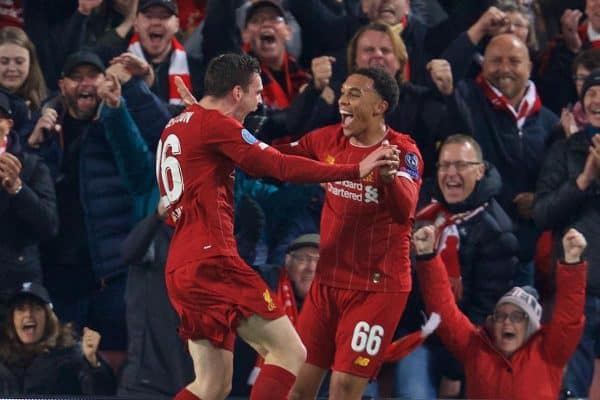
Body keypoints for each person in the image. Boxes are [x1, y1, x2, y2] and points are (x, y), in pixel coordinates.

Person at [157, 53, 398, 400]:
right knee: (291, 353)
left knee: (212, 385)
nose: (259, 102)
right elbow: (281, 167)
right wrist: (355, 168)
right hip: (212, 260)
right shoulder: (211, 125)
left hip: (181, 266)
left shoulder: (178, 124)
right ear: (237, 92)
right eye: (256, 92)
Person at [275, 67, 423, 399]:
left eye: (354, 94)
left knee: (342, 389)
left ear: (380, 106)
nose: (343, 100)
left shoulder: (402, 151)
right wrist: (228, 137)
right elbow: (277, 159)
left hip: (377, 288)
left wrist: (388, 182)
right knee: (296, 386)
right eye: (343, 92)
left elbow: (406, 211)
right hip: (326, 283)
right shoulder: (327, 140)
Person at [400, 134, 518, 398]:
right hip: (417, 335)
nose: (451, 173)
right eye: (445, 165)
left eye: (461, 165)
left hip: (466, 349)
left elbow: (486, 312)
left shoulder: (497, 232)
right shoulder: (424, 211)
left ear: (479, 171)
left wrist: (454, 370)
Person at [413, 225, 587, 399]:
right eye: (500, 315)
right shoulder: (475, 347)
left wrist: (572, 263)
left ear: (531, 326)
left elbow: (568, 318)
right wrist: (428, 257)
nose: (507, 322)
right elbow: (444, 311)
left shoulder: (548, 351)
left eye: (517, 317)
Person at [445, 33, 557, 287]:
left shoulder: (551, 123)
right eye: (496, 61)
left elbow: (557, 182)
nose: (504, 69)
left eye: (514, 61)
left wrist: (541, 201)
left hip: (525, 254)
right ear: (482, 65)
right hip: (474, 252)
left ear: (529, 66)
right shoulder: (467, 104)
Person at [533, 69, 600, 398]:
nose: (597, 98)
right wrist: (584, 180)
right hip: (578, 290)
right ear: (582, 103)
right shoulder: (562, 151)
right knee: (571, 389)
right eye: (591, 92)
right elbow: (542, 213)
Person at [0, 281, 116, 395]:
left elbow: (102, 394)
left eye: (36, 308)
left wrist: (93, 364)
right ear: (12, 319)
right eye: (21, 309)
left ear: (48, 318)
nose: (29, 314)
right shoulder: (3, 358)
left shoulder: (72, 353)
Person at [0, 90, 57, 317]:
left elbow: (49, 225)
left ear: (9, 124)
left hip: (18, 290)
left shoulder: (31, 166)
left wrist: (17, 189)